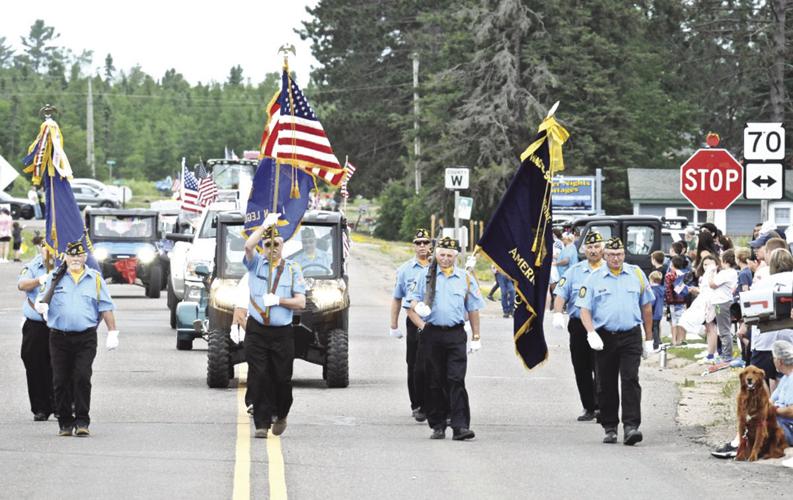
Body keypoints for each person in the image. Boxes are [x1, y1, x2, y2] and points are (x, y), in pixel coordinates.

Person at [35, 241, 118, 437]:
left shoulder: (95, 279)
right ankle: (65, 422)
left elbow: (105, 306)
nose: (75, 259)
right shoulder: (55, 277)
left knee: (82, 377)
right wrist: (40, 306)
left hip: (85, 337)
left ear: (84, 258)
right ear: (65, 257)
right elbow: (40, 299)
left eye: (78, 256)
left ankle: (82, 421)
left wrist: (112, 331)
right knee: (60, 380)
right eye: (71, 256)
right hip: (59, 337)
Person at [577, 237, 654, 445]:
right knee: (606, 382)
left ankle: (631, 426)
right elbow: (584, 308)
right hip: (605, 336)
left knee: (630, 379)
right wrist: (590, 332)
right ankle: (610, 427)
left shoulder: (636, 274)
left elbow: (646, 307)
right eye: (611, 254)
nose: (616, 258)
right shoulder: (594, 278)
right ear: (604, 255)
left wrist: (649, 339)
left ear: (624, 254)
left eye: (619, 254)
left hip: (631, 334)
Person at [407, 237, 484, 441]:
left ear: (455, 257)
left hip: (455, 334)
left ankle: (460, 426)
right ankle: (438, 424)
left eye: (450, 255)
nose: (445, 259)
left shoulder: (465, 278)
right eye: (442, 254)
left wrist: (476, 336)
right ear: (436, 254)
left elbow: (473, 308)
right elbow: (411, 301)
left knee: (456, 379)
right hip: (432, 334)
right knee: (434, 381)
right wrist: (418, 309)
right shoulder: (425, 276)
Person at [243, 218, 306, 439]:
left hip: (282, 333)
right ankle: (261, 423)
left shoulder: (292, 270)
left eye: (276, 244)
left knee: (282, 378)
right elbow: (248, 246)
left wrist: (278, 300)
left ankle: (281, 414)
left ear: (282, 245)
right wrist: (264, 226)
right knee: (259, 376)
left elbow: (300, 302)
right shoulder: (255, 264)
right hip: (257, 330)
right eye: (268, 244)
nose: (272, 249)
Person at [552, 231, 605, 422]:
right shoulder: (574, 271)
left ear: (603, 248)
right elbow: (561, 293)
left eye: (597, 246)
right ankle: (589, 406)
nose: (593, 250)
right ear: (583, 250)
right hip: (578, 326)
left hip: (602, 326)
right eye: (589, 247)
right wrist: (558, 312)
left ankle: (602, 406)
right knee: (581, 367)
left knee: (601, 366)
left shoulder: (609, 270)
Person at [711, 339, 793, 459]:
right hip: (780, 421)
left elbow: (791, 411)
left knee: (758, 422)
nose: (773, 361)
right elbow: (770, 400)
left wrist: (773, 410)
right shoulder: (786, 378)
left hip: (788, 427)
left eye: (774, 358)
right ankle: (739, 444)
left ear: (779, 361)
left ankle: (740, 446)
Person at [390, 228, 432, 422]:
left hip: (434, 320)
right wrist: (393, 325)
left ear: (431, 245)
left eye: (425, 242)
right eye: (418, 242)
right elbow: (397, 298)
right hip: (414, 319)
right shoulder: (406, 269)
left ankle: (432, 403)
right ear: (413, 245)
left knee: (434, 364)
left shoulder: (438, 264)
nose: (422, 246)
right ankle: (417, 403)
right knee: (415, 364)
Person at [16, 235, 54, 421]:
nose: (47, 250)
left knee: (61, 366)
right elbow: (21, 284)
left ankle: (61, 403)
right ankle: (41, 407)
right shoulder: (34, 265)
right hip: (36, 325)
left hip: (58, 324)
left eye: (51, 246)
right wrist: (40, 280)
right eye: (44, 246)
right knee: (34, 364)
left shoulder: (66, 264)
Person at [710, 249, 738, 363]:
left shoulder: (725, 273)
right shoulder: (733, 272)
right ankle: (726, 353)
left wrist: (711, 274)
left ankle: (727, 355)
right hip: (725, 301)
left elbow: (712, 284)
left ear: (725, 260)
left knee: (723, 330)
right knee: (724, 328)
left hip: (721, 303)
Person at [664, 255, 688, 346]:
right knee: (682, 321)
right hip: (682, 300)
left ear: (672, 264)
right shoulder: (683, 274)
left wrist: (668, 300)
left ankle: (674, 340)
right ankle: (680, 340)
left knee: (673, 321)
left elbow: (668, 290)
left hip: (673, 302)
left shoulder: (669, 275)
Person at [649, 271, 665, 351]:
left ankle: (655, 344)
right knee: (657, 327)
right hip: (659, 312)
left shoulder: (653, 290)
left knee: (654, 328)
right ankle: (658, 340)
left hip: (654, 312)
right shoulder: (661, 289)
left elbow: (652, 302)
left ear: (651, 280)